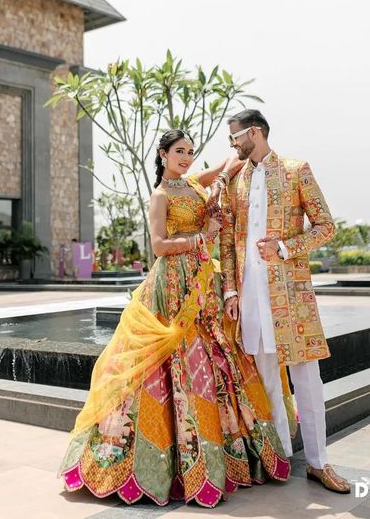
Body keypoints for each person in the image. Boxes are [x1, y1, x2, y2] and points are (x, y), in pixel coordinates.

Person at [58, 129, 295, 508]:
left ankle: (225, 451)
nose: (186, 157)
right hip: (171, 286)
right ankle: (159, 461)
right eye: (179, 151)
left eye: (190, 151)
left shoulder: (193, 184)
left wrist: (218, 181)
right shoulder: (160, 195)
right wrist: (202, 236)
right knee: (173, 362)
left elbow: (231, 163)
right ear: (163, 154)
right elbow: (157, 246)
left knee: (215, 356)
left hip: (203, 285)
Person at [220, 110, 351, 494]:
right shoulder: (236, 182)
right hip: (249, 297)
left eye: (235, 138)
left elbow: (326, 226)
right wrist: (230, 290)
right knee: (266, 382)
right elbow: (227, 243)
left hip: (290, 296)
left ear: (254, 133)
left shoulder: (296, 170)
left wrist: (283, 247)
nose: (232, 145)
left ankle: (318, 462)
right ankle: (278, 460)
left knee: (306, 380)